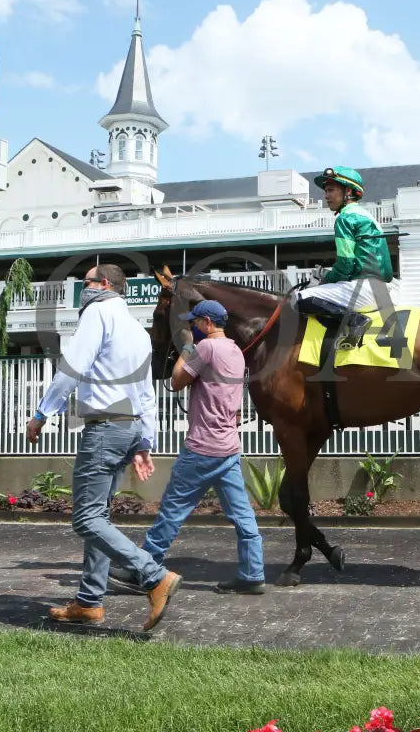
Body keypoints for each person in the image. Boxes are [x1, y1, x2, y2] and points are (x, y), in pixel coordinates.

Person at [26, 263, 181, 631]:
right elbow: (146, 393)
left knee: (86, 518)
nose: (83, 290)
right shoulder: (136, 329)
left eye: (86, 283)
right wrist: (145, 441)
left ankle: (153, 576)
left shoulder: (97, 312)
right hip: (127, 429)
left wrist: (41, 413)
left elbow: (73, 366)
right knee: (100, 517)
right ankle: (89, 601)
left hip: (104, 429)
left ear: (105, 284)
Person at [109, 298, 266, 595]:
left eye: (195, 322)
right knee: (243, 515)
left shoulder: (205, 348)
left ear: (207, 323)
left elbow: (177, 380)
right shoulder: (236, 350)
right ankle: (252, 573)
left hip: (202, 448)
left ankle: (143, 571)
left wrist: (188, 347)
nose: (193, 326)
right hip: (229, 447)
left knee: (171, 512)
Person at [295, 166, 394, 349]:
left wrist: (326, 278)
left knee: (298, 298)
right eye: (326, 190)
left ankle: (355, 320)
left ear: (348, 191)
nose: (326, 195)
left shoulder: (345, 218)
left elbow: (346, 265)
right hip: (382, 291)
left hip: (362, 290)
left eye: (331, 189)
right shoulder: (368, 217)